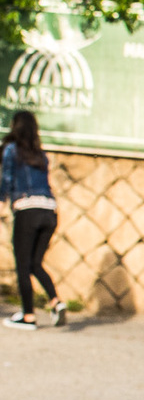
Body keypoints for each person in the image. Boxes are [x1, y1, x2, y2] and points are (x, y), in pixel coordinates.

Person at [2, 110, 63, 331]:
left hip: (27, 210)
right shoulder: (40, 154)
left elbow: (7, 179)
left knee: (23, 265)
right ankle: (56, 302)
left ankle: (28, 316)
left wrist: (2, 201)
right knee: (36, 263)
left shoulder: (11, 150)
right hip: (50, 211)